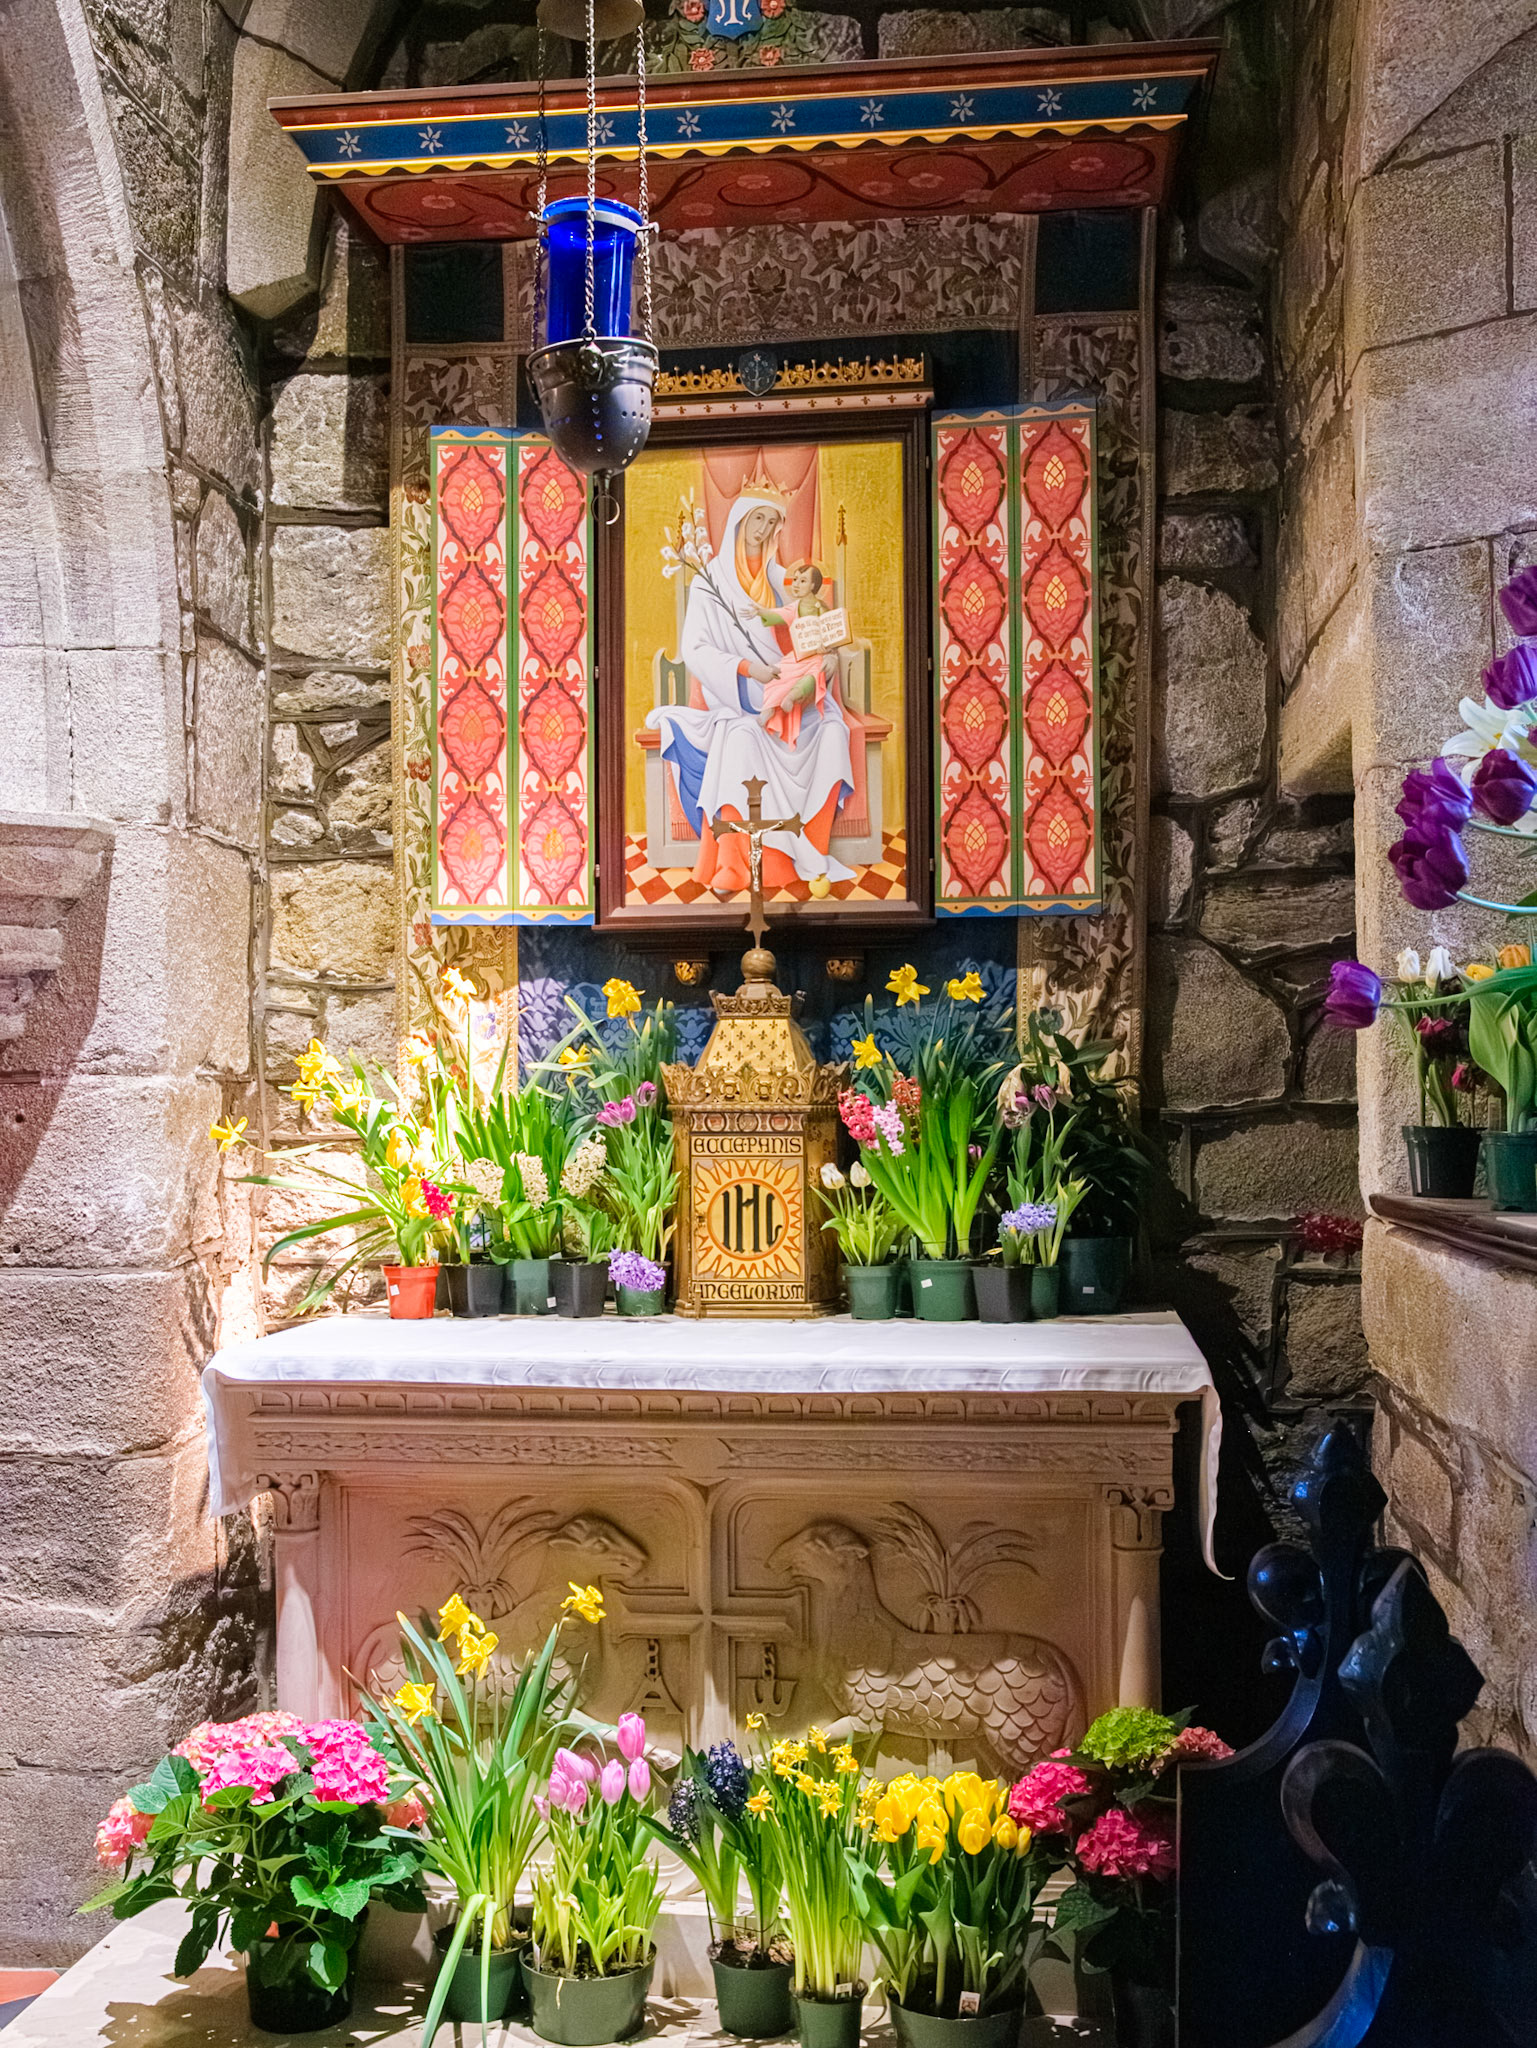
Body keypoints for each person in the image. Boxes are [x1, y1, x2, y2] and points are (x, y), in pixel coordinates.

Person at [646, 485, 854, 894]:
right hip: (739, 698)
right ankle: (733, 865)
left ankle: (810, 849)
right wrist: (747, 669)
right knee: (740, 737)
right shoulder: (710, 582)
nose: (764, 528)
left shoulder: (784, 580)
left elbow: (815, 625)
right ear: (740, 522)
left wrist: (828, 657)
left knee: (834, 731)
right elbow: (696, 648)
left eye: (772, 521)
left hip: (793, 692)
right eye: (758, 518)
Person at [754, 559, 833, 745]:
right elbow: (776, 615)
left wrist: (826, 646)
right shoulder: (794, 608)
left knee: (814, 674)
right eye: (795, 580)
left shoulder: (823, 609)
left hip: (816, 656)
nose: (796, 584)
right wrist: (759, 611)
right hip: (797, 656)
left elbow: (832, 633)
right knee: (778, 673)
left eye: (803, 581)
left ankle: (791, 697)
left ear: (814, 585)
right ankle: (769, 709)